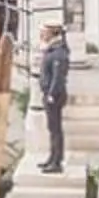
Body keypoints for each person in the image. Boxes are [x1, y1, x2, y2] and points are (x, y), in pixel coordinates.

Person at [36, 19, 71, 174]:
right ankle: (52, 157)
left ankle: (57, 161)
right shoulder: (52, 50)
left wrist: (51, 94)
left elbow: (58, 77)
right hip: (49, 94)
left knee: (55, 129)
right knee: (52, 128)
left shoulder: (58, 53)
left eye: (44, 32)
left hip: (54, 96)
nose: (42, 35)